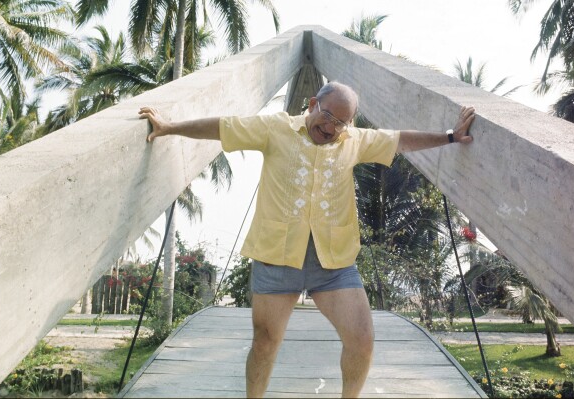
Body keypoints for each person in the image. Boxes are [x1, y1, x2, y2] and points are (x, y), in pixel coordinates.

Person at [139, 82, 475, 398]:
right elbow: (222, 127)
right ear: (313, 105)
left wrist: (450, 136)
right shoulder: (276, 129)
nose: (331, 128)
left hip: (333, 263)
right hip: (277, 256)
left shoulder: (354, 141)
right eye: (327, 116)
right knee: (266, 342)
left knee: (362, 340)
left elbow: (401, 140)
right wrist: (169, 127)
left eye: (341, 123)